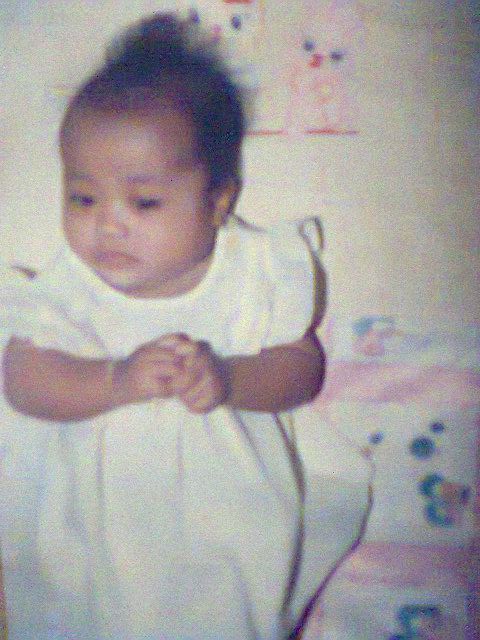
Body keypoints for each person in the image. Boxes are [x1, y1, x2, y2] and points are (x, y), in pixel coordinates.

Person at [0, 13, 371, 640]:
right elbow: (23, 380)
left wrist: (230, 378)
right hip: (93, 530)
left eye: (143, 201)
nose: (107, 223)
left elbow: (302, 370)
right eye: (83, 197)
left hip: (225, 521)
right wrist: (114, 380)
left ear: (218, 201)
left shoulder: (252, 275)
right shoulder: (70, 288)